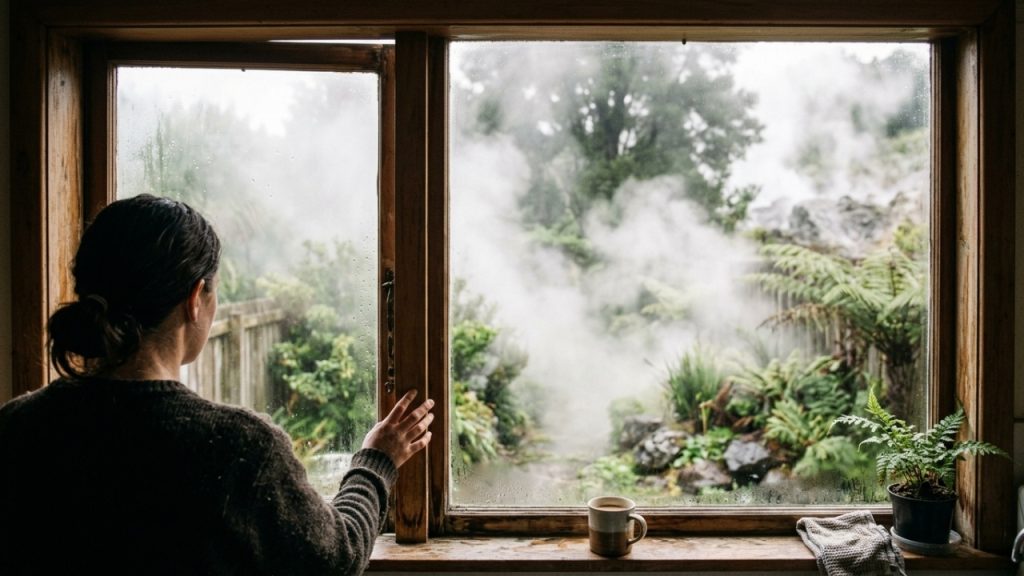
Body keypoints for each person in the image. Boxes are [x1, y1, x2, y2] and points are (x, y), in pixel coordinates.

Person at [0, 194, 433, 575]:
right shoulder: (238, 449)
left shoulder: (17, 426)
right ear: (195, 299)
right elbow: (336, 557)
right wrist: (377, 460)